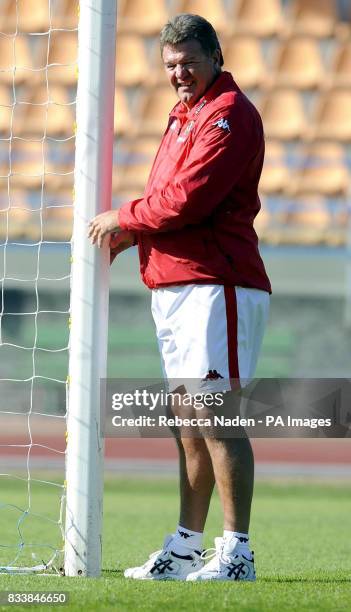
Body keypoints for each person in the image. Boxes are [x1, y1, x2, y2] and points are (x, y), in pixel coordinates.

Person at [88, 13, 271, 582]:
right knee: (186, 422)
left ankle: (236, 552)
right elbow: (166, 200)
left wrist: (123, 216)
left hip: (216, 283)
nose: (179, 73)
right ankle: (187, 546)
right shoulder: (183, 116)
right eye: (170, 65)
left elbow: (187, 200)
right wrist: (135, 233)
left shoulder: (228, 116)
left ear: (216, 56)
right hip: (174, 281)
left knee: (215, 417)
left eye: (189, 61)